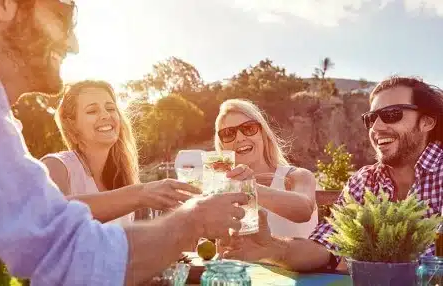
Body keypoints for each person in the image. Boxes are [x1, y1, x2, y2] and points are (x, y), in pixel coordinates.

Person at [0, 1, 249, 285]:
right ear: (2, 3)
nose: (73, 45)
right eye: (63, 18)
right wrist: (194, 221)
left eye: (110, 107)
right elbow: (66, 254)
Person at [222, 76, 443, 272]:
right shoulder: (364, 181)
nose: (376, 127)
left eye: (391, 114)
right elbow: (324, 247)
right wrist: (271, 248)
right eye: (371, 118)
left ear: (427, 122)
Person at [41, 80, 192, 224]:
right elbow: (53, 215)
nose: (106, 115)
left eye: (111, 108)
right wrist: (141, 194)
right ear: (71, 123)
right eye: (92, 111)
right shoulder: (56, 166)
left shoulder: (122, 178)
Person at [215, 99, 318, 238]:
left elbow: (304, 210)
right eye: (228, 133)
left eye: (249, 128)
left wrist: (249, 186)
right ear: (222, 146)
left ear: (263, 134)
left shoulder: (297, 176)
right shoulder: (224, 191)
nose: (239, 138)